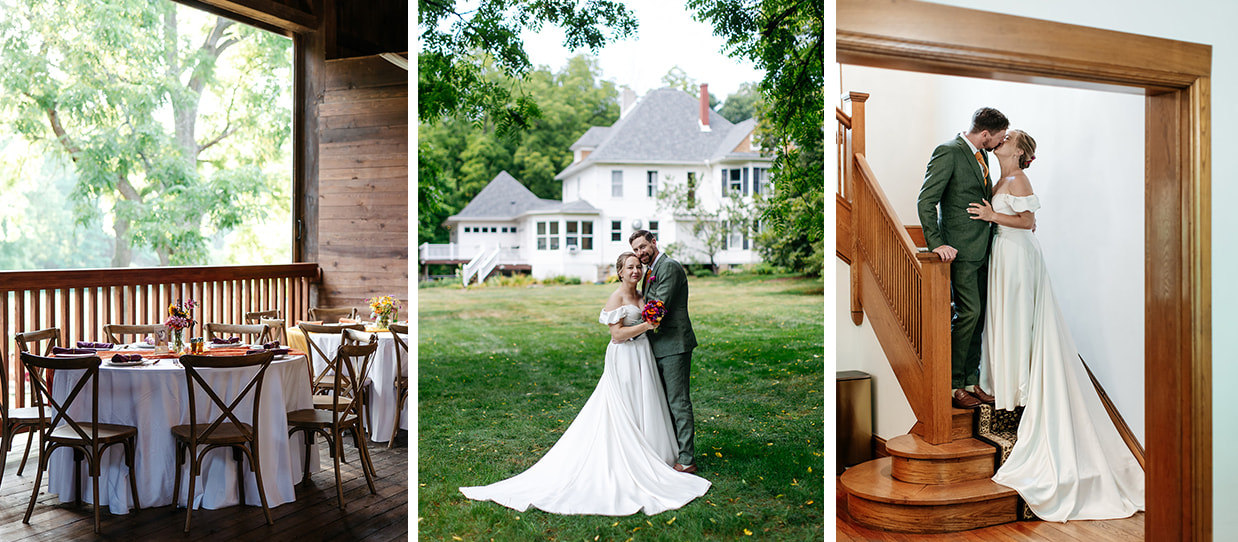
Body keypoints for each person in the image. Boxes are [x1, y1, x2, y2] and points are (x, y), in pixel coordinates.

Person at [967, 129, 1144, 521]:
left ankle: (1019, 386)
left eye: (1008, 137)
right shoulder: (999, 177)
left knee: (1017, 317)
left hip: (1017, 256)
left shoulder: (1019, 179)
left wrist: (991, 215)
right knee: (1004, 318)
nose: (1002, 139)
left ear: (1019, 150)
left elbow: (1028, 220)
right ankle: (1005, 385)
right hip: (1004, 253)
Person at [458, 252, 710, 515]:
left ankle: (652, 452)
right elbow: (617, 335)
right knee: (626, 404)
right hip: (625, 357)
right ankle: (626, 458)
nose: (635, 271)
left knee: (645, 401)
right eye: (630, 268)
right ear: (620, 272)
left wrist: (650, 323)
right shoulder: (617, 297)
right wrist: (646, 326)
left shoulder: (641, 295)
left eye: (638, 267)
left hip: (642, 355)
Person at [917, 106, 1008, 409]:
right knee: (968, 314)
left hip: (984, 249)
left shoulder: (981, 157)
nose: (1000, 143)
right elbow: (927, 200)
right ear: (985, 134)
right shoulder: (948, 151)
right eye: (999, 138)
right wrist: (936, 243)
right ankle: (953, 385)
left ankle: (971, 381)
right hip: (960, 250)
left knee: (979, 316)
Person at [629, 229, 698, 473]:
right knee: (663, 401)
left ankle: (687, 459)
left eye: (642, 247)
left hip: (674, 345)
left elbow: (657, 309)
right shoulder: (649, 271)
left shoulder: (668, 267)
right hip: (657, 345)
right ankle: (672, 451)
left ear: (653, 242)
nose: (640, 253)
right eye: (636, 250)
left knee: (678, 402)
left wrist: (629, 331)